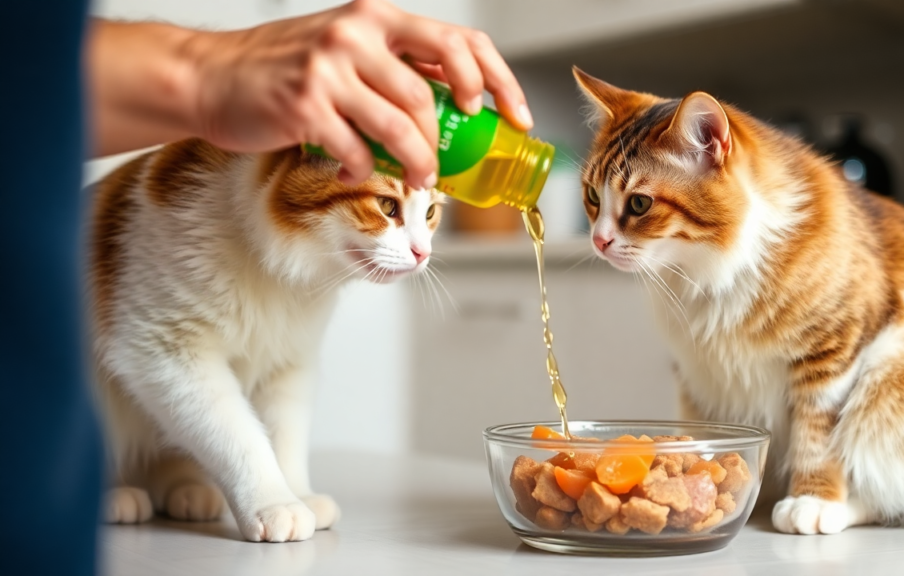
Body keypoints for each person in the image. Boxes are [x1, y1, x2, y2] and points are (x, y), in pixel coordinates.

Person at [0, 1, 530, 574]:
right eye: (386, 205)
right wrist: (260, 488)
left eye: (430, 215)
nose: (421, 248)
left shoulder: (323, 265)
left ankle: (166, 471)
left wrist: (289, 488)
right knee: (171, 352)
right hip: (54, 455)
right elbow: (160, 351)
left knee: (286, 363)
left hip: (91, 491)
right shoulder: (194, 216)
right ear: (300, 158)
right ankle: (121, 472)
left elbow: (287, 369)